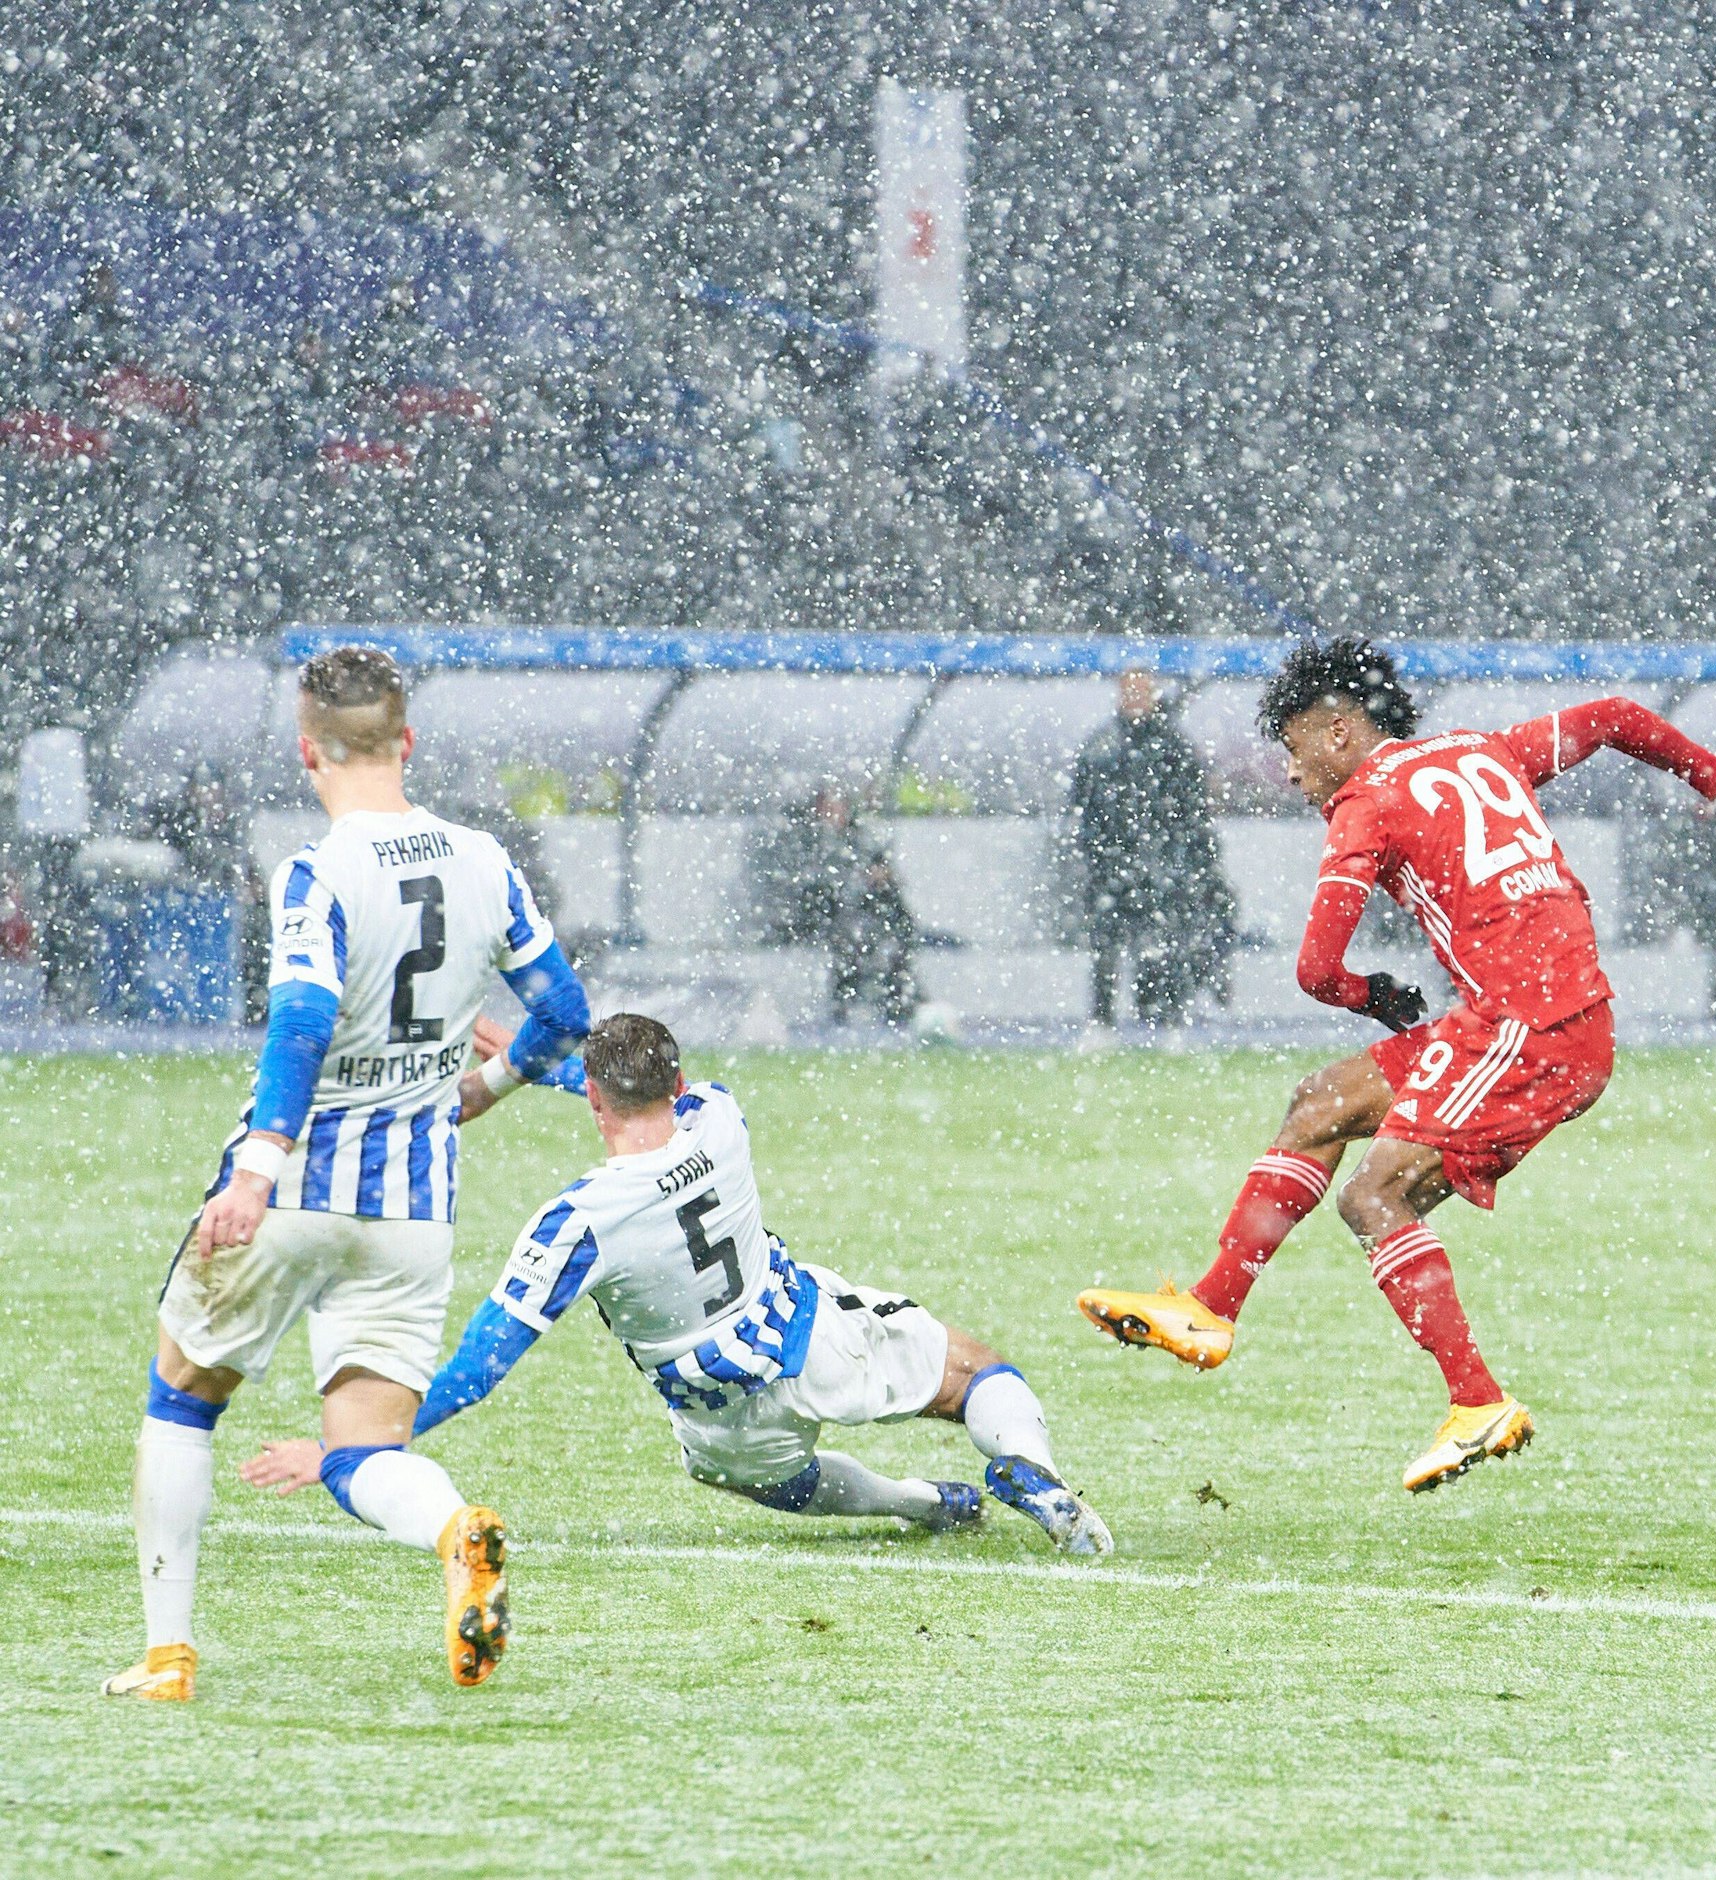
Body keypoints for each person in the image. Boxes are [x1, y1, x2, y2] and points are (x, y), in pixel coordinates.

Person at [1077, 637, 1716, 1492]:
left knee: (1374, 1195)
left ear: (1338, 731)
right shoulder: (1479, 750)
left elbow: (1315, 970)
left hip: (1532, 1029)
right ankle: (1210, 1308)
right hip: (1522, 1017)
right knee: (1320, 1103)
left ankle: (1478, 1403)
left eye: (1296, 752)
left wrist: (1371, 993)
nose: (1295, 777)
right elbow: (1614, 718)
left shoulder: (1366, 800)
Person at [104, 646, 591, 1702]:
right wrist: (489, 1086)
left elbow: (304, 1017)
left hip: (296, 1188)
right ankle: (454, 1527)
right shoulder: (482, 857)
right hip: (415, 1205)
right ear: (406, 741)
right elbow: (565, 1014)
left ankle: (168, 1655)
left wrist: (257, 1164)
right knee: (363, 1445)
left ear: (305, 750)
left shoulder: (316, 869)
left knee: (181, 1397)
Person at [243, 1011, 1113, 1558]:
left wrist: (352, 1447)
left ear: (593, 1100)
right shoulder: (719, 1117)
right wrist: (545, 1064)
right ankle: (1030, 1473)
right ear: (678, 1083)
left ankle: (922, 1506)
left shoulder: (576, 1224)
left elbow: (476, 1372)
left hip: (714, 1413)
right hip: (807, 1336)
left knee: (785, 1485)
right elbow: (644, 1096)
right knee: (971, 1375)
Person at [1070, 669, 1235, 1030]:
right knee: (1107, 948)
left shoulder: (1172, 746)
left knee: (1167, 945)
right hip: (1113, 869)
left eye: (1143, 690)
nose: (1136, 698)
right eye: (1130, 690)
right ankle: (1103, 1021)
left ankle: (1167, 1018)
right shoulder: (1101, 747)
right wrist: (1098, 856)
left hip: (1162, 868)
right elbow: (1083, 809)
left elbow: (1193, 811)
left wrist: (1182, 859)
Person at [749, 790, 921, 1028]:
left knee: (888, 941)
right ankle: (845, 1008)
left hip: (861, 912)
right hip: (826, 914)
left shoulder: (861, 839)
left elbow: (879, 872)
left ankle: (899, 1006)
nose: (833, 814)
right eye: (828, 808)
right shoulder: (807, 840)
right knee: (849, 943)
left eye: (838, 808)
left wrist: (878, 877)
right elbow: (806, 884)